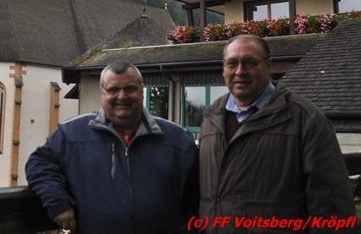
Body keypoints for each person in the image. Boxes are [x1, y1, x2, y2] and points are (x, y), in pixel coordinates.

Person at [199, 34, 355, 232]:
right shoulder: (211, 118)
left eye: (249, 63)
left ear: (268, 66)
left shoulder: (305, 119)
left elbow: (333, 205)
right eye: (232, 63)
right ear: (224, 68)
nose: (239, 71)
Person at [25, 61, 198, 233]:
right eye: (113, 90)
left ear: (141, 91)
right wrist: (57, 202)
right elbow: (38, 163)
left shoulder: (178, 140)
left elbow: (197, 200)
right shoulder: (72, 134)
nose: (122, 96)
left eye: (129, 88)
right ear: (102, 94)